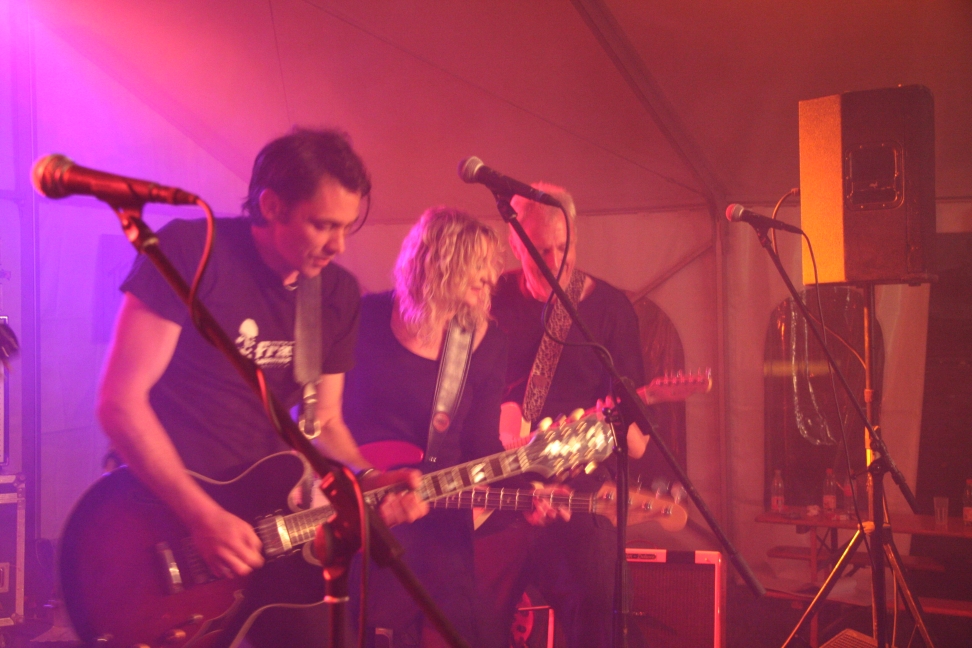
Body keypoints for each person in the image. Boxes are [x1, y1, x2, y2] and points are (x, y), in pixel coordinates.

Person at [96, 128, 427, 647]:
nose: (339, 245)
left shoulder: (335, 294)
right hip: (162, 523)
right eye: (323, 225)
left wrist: (367, 479)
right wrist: (200, 515)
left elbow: (324, 423)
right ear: (271, 206)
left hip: (270, 527)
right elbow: (120, 402)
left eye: (346, 227)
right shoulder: (191, 252)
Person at [343, 207, 561, 648]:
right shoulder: (363, 318)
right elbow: (325, 415)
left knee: (466, 632)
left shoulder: (486, 341)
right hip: (357, 504)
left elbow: (481, 444)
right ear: (435, 262)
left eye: (491, 264)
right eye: (475, 263)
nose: (490, 277)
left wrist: (527, 488)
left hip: (440, 512)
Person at [475, 183, 648, 648]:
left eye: (562, 248)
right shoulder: (490, 298)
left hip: (577, 487)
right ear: (515, 245)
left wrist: (601, 431)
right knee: (464, 617)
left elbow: (634, 434)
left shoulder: (609, 309)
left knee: (602, 614)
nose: (554, 261)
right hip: (496, 488)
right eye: (540, 251)